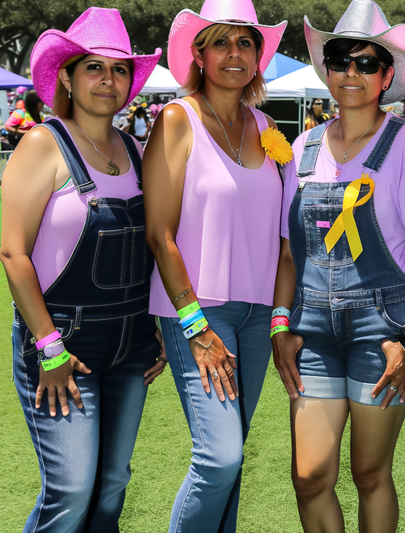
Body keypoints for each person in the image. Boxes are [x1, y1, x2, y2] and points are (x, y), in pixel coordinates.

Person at [272, 1, 405, 532]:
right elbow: (287, 251)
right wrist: (281, 322)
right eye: (339, 59)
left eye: (367, 62)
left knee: (370, 473)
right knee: (308, 476)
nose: (352, 72)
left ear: (386, 75)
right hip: (312, 335)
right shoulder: (302, 148)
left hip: (385, 331)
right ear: (326, 68)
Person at [0, 8, 164, 531]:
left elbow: (154, 248)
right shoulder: (42, 143)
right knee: (71, 490)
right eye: (94, 67)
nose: (107, 80)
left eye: (118, 70)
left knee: (112, 484)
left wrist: (155, 327)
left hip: (131, 341)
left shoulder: (138, 151)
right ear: (67, 77)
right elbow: (11, 252)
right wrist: (49, 349)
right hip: (59, 343)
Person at [142, 0, 288, 531]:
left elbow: (281, 232)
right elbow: (159, 234)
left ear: (257, 56)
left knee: (234, 458)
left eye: (244, 42)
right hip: (199, 313)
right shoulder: (175, 120)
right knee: (219, 457)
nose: (234, 53)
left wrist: (279, 317)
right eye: (221, 42)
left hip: (256, 316)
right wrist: (196, 327)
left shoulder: (269, 127)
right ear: (199, 54)